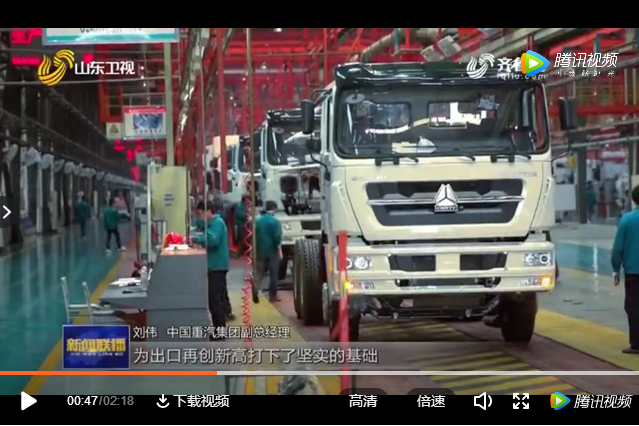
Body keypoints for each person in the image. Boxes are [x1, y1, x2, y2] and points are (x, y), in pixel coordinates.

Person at [193, 200, 235, 329]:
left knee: (215, 302)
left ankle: (219, 331)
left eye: (201, 214)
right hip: (215, 266)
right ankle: (219, 329)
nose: (200, 217)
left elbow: (212, 240)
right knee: (216, 300)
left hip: (216, 267)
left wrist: (194, 239)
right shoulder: (213, 223)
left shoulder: (217, 223)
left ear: (208, 211)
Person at [611, 185, 639, 354]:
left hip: (633, 273)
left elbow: (618, 248)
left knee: (634, 307)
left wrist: (616, 268)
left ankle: (637, 344)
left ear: (634, 200)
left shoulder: (627, 220)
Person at [256, 200, 283, 303]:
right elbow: (277, 238)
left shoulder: (258, 222)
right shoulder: (275, 222)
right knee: (273, 274)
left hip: (260, 251)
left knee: (260, 273)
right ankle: (272, 296)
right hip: (272, 252)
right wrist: (279, 250)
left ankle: (255, 292)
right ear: (274, 209)